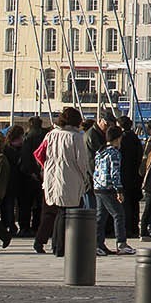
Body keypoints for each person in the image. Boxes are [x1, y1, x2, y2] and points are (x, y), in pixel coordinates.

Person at [33, 107, 91, 257]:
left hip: (52, 175)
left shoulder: (51, 135)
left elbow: (39, 153)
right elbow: (82, 161)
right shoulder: (76, 137)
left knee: (58, 211)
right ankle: (61, 247)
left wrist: (45, 167)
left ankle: (55, 245)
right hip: (70, 177)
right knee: (67, 213)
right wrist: (85, 176)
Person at [92, 125, 134, 256]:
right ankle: (121, 243)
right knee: (119, 214)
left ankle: (97, 244)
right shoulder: (114, 153)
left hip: (98, 186)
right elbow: (115, 172)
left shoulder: (100, 151)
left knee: (101, 216)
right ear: (118, 138)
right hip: (108, 187)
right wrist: (119, 190)